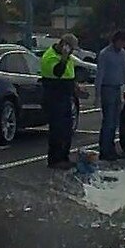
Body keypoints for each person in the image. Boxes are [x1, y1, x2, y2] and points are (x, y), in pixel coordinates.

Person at [41, 34, 78, 170]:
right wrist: (63, 57)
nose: (72, 52)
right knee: (57, 129)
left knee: (67, 129)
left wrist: (75, 86)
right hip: (54, 96)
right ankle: (55, 159)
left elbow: (69, 74)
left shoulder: (67, 57)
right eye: (71, 48)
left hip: (65, 95)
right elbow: (58, 72)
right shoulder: (49, 56)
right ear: (64, 45)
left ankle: (64, 157)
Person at [95, 30, 125, 161]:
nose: (123, 45)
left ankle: (111, 148)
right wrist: (97, 95)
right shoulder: (105, 54)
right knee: (108, 121)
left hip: (117, 88)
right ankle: (105, 149)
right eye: (122, 42)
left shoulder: (122, 53)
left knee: (115, 121)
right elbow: (100, 74)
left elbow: (124, 70)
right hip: (107, 88)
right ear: (117, 40)